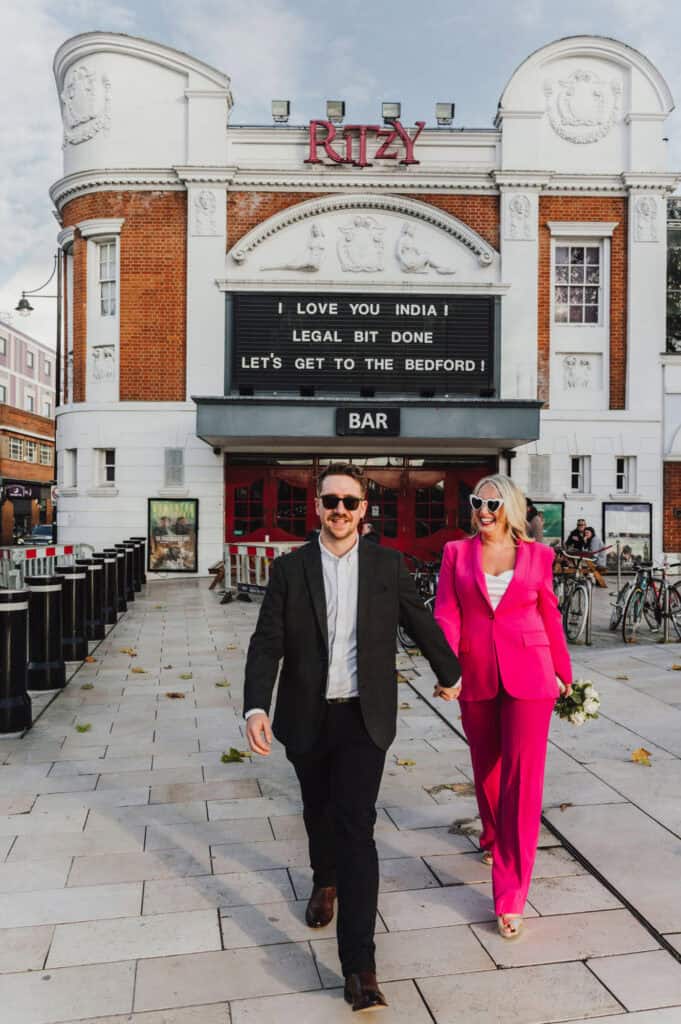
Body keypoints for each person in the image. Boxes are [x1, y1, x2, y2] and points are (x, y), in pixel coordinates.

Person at [244, 462, 460, 1012]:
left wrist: (449, 671)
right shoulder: (291, 571)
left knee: (356, 826)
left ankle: (360, 966)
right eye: (330, 500)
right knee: (318, 810)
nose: (339, 509)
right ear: (317, 507)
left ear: (365, 509)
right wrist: (255, 708)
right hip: (305, 715)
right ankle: (323, 878)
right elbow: (267, 641)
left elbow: (420, 622)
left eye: (349, 501)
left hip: (366, 718)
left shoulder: (388, 566)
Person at [433, 473, 572, 940]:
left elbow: (549, 611)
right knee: (488, 770)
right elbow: (447, 612)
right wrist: (447, 670)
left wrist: (563, 672)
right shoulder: (456, 553)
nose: (484, 511)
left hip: (530, 676)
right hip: (475, 674)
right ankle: (492, 835)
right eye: (477, 503)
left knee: (522, 781)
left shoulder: (539, 556)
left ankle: (511, 892)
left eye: (493, 504)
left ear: (511, 508)